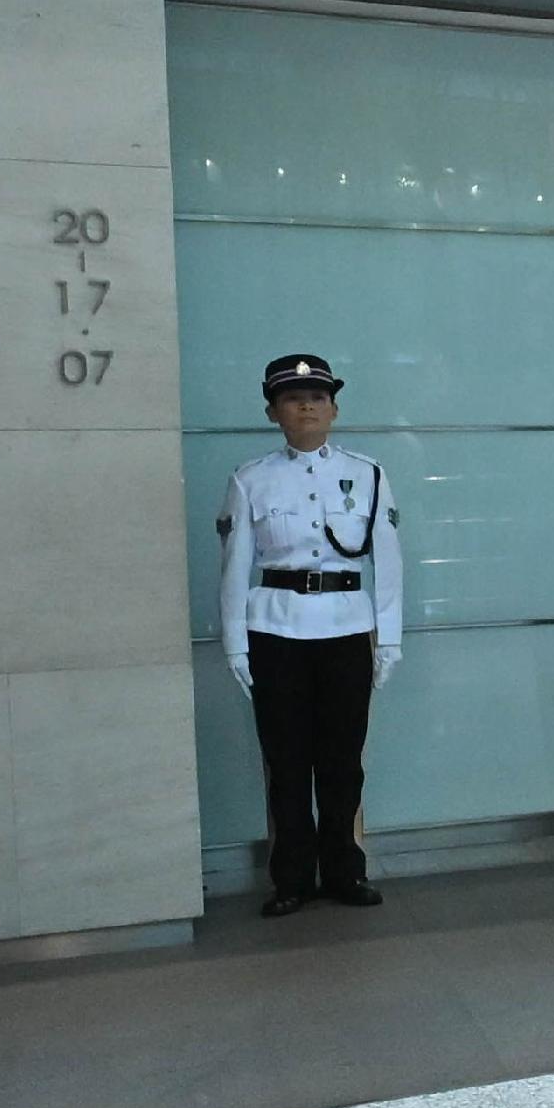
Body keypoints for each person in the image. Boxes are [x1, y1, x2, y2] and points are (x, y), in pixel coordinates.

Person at [216, 353, 403, 916]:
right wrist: (234, 642)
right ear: (274, 412)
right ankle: (292, 877)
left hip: (347, 626)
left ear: (334, 408)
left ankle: (345, 871)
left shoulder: (367, 473)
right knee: (287, 760)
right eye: (293, 398)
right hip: (275, 628)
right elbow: (233, 567)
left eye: (318, 397)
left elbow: (388, 562)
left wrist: (389, 637)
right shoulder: (250, 479)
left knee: (343, 760)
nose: (306, 405)